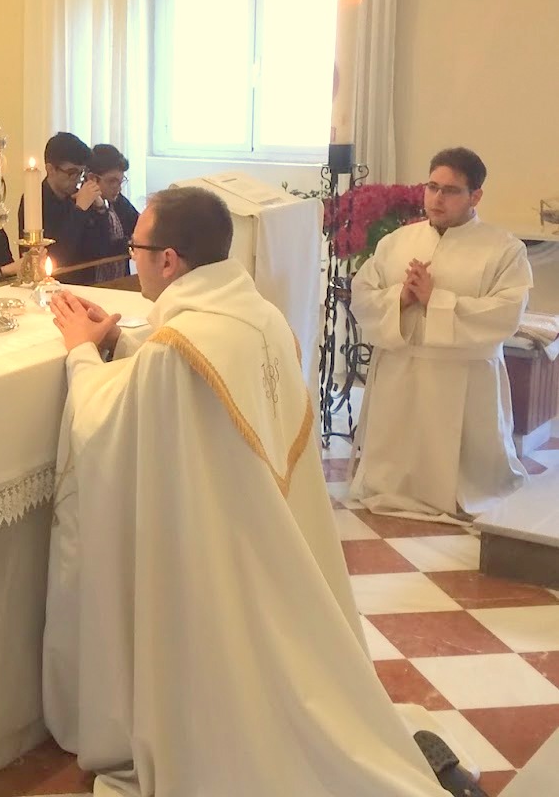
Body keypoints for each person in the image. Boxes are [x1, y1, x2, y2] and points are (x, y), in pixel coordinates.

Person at [43, 186, 458, 797]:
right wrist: (120, 342)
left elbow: (106, 421)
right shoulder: (258, 317)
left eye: (138, 248)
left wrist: (82, 355)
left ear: (170, 260)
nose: (133, 259)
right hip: (265, 542)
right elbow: (187, 389)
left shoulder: (177, 348)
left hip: (213, 557)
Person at [350, 147, 531, 519]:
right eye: (432, 186)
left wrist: (437, 300)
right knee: (393, 469)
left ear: (475, 196)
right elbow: (363, 294)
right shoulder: (397, 243)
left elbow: (506, 313)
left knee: (464, 476)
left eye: (450, 190)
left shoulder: (503, 249)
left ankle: (462, 490)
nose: (437, 198)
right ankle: (393, 486)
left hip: (463, 374)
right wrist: (400, 297)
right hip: (403, 368)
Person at [17, 131, 107, 285]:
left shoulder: (78, 196)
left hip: (88, 282)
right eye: (71, 172)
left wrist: (100, 209)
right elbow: (57, 256)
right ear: (50, 169)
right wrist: (79, 210)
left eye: (81, 172)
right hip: (53, 284)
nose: (77, 179)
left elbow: (102, 247)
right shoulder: (35, 200)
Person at [84, 143, 140, 283]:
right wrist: (102, 211)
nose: (118, 188)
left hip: (121, 281)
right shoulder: (80, 207)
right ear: (92, 178)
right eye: (112, 181)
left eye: (121, 182)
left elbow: (139, 225)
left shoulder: (118, 200)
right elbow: (101, 249)